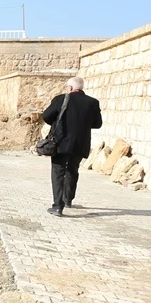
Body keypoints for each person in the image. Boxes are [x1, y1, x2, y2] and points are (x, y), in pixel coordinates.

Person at [41, 76, 102, 216]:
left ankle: (57, 206)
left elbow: (46, 116)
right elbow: (97, 124)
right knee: (73, 170)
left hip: (61, 141)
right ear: (81, 88)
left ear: (70, 88)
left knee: (58, 171)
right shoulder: (93, 102)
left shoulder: (61, 99)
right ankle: (68, 199)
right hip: (81, 143)